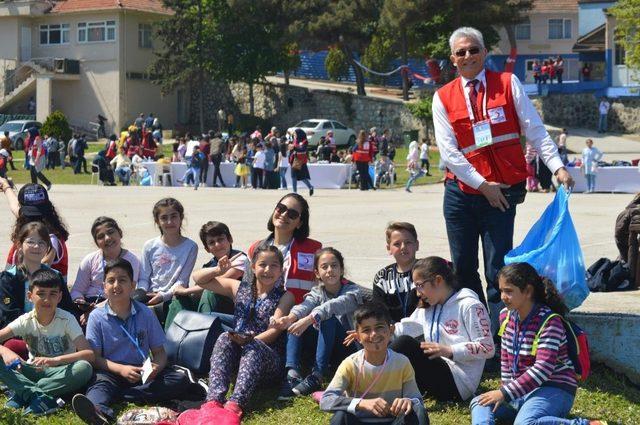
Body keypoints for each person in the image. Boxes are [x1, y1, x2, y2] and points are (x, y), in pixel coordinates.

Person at [432, 27, 573, 332]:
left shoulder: (508, 83)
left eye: (473, 49)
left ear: (484, 52)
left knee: (499, 270)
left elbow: (535, 129)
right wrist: (483, 186)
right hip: (461, 195)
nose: (467, 56)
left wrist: (557, 166)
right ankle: (476, 334)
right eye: (461, 52)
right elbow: (449, 153)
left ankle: (504, 337)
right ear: (453, 59)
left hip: (502, 194)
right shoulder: (442, 97)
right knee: (464, 268)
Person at [470, 262, 606, 425]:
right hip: (522, 391)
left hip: (554, 387)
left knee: (525, 423)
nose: (502, 297)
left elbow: (543, 368)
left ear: (527, 291)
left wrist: (505, 394)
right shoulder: (505, 316)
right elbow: (506, 360)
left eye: (509, 291)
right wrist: (507, 391)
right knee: (479, 402)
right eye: (501, 291)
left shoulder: (550, 322)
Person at [72, 258, 202, 425]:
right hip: (110, 371)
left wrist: (156, 368)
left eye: (122, 280)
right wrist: (121, 369)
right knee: (98, 388)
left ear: (133, 286)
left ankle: (122, 395)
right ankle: (99, 412)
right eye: (111, 281)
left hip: (142, 373)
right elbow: (95, 358)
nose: (116, 285)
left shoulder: (145, 313)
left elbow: (159, 353)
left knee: (178, 380)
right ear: (104, 287)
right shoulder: (96, 317)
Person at [194, 245, 295, 418]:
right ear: (253, 267)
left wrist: (247, 341)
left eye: (274, 266)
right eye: (262, 264)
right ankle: (214, 400)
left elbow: (274, 332)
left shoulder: (286, 296)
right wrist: (217, 270)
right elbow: (198, 279)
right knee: (225, 337)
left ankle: (236, 403)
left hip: (267, 360)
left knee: (253, 346)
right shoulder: (239, 288)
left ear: (281, 270)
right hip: (238, 354)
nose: (268, 270)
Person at [390, 257, 494, 402]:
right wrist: (380, 333)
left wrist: (449, 350)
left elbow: (487, 348)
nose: (418, 293)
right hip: (436, 372)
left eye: (420, 286)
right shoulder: (430, 305)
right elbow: (408, 327)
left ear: (438, 280)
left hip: (458, 383)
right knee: (392, 342)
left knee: (404, 344)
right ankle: (368, 382)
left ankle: (373, 387)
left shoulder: (469, 305)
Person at [0, 268, 94, 415]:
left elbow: (88, 354)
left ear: (60, 297)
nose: (46, 299)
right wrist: (4, 351)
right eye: (41, 294)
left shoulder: (67, 319)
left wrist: (56, 360)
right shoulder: (26, 320)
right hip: (33, 370)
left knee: (84, 368)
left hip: (61, 372)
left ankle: (23, 393)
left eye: (52, 294)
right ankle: (38, 397)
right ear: (30, 296)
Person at [274, 247, 363, 399]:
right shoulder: (317, 291)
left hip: (347, 348)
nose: (330, 270)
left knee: (327, 318)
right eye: (324, 267)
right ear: (317, 273)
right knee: (295, 321)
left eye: (334, 266)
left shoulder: (353, 291)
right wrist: (290, 317)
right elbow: (305, 305)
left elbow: (332, 306)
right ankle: (292, 375)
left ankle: (318, 375)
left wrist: (310, 319)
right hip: (324, 345)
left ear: (341, 269)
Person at [320, 303, 429, 425]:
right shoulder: (350, 365)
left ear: (391, 330)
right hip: (359, 421)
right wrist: (361, 403)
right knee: (340, 416)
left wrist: (408, 401)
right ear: (357, 337)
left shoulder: (402, 362)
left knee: (417, 411)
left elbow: (417, 400)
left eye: (379, 327)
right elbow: (326, 400)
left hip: (393, 421)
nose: (374, 334)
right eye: (366, 330)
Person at [0, 222, 78, 361]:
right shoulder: (8, 278)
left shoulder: (55, 276)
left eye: (42, 243)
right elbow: (9, 315)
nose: (36, 246)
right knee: (14, 346)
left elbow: (67, 309)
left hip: (54, 334)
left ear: (48, 248)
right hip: (23, 335)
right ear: (19, 245)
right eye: (31, 242)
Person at [163, 221, 248, 330]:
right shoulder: (209, 265)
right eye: (212, 242)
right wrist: (183, 293)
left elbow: (221, 280)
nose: (217, 245)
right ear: (207, 248)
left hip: (235, 307)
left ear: (230, 239)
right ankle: (171, 339)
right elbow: (198, 281)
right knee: (180, 299)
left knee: (209, 292)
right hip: (215, 308)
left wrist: (185, 290)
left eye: (221, 239)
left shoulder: (240, 258)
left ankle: (202, 334)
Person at [248, 193, 322, 304]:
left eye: (292, 214)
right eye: (281, 208)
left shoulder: (314, 250)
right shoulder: (256, 248)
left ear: (300, 223)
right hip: (260, 313)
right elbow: (246, 286)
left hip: (298, 315)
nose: (284, 214)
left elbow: (330, 284)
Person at [135, 198, 198, 325]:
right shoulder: (149, 246)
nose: (169, 222)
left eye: (174, 216)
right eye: (164, 218)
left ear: (181, 218)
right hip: (151, 293)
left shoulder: (190, 247)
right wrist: (141, 293)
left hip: (175, 295)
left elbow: (182, 280)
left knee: (178, 306)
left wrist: (163, 296)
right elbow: (144, 277)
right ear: (157, 221)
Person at [70, 217, 142, 326]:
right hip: (90, 304)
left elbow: (129, 292)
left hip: (116, 303)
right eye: (100, 237)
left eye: (110, 232)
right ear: (97, 243)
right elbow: (76, 290)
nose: (107, 238)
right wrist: (80, 301)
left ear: (120, 233)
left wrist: (96, 310)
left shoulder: (132, 261)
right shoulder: (90, 260)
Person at [1, 182, 71, 279]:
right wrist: (5, 186)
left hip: (38, 291)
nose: (35, 217)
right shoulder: (30, 224)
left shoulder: (51, 237)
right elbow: (14, 205)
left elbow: (45, 262)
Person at [372, 222, 420, 324]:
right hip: (394, 332)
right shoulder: (382, 277)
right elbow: (379, 312)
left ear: (417, 245)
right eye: (397, 244)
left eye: (408, 242)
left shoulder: (429, 269)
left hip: (425, 329)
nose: (403, 247)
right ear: (389, 248)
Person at [290, 128, 315, 196]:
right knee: (293, 176)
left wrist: (294, 148)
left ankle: (310, 187)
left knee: (302, 177)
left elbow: (302, 149)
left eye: (295, 133)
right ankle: (294, 192)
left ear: (299, 134)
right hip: (295, 160)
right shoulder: (295, 140)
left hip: (301, 160)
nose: (294, 135)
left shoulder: (305, 141)